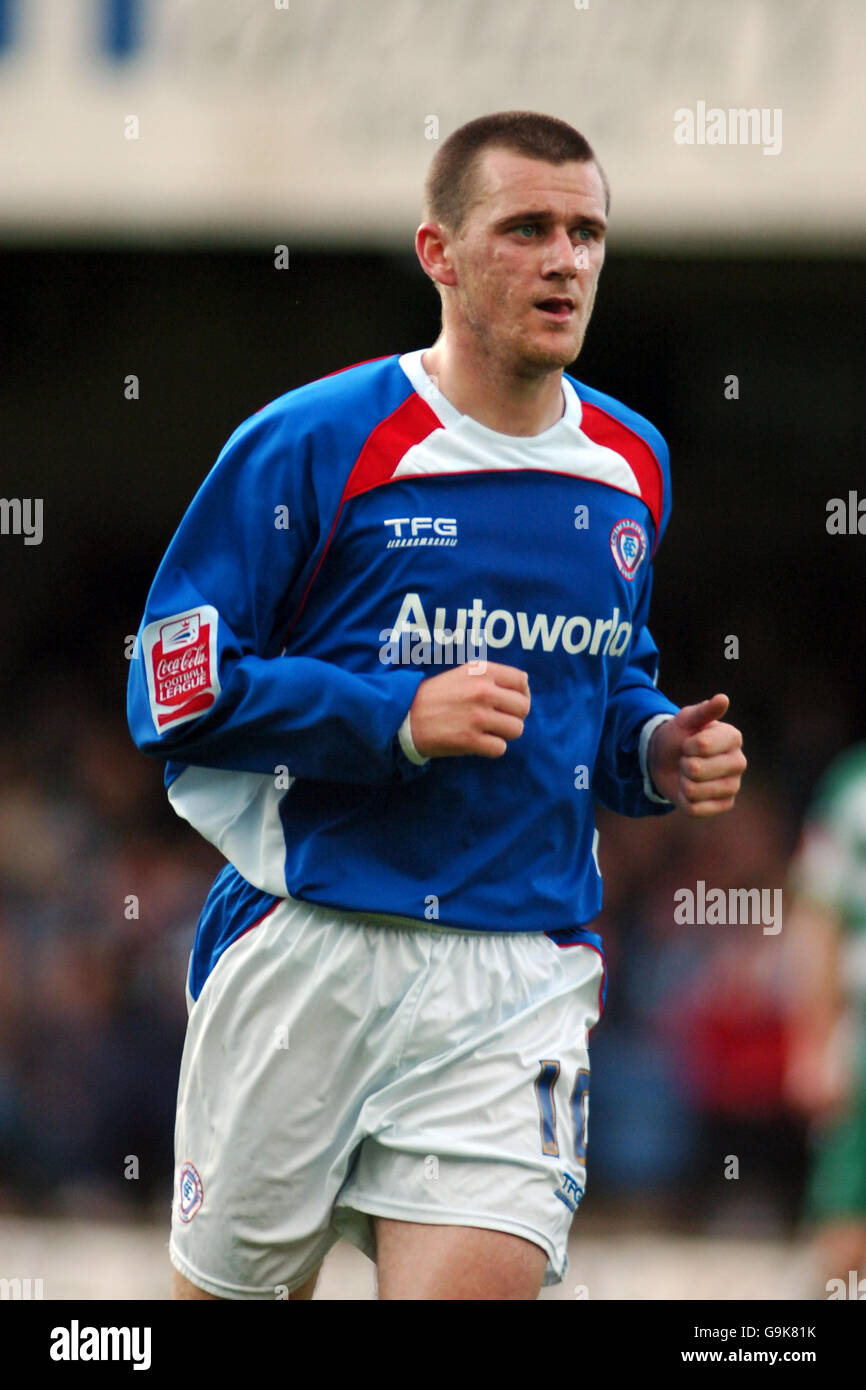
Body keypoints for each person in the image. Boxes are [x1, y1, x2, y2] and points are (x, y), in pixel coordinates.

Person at [127, 110, 746, 1301]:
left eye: (585, 232)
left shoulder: (630, 463)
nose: (564, 259)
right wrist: (391, 720)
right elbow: (169, 685)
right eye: (525, 229)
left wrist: (651, 746)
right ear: (439, 253)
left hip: (516, 970)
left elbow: (601, 680)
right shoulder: (313, 442)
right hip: (306, 945)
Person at [783, 744, 866, 1294]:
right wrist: (812, 1044)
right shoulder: (855, 787)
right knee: (848, 1235)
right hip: (861, 1043)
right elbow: (817, 912)